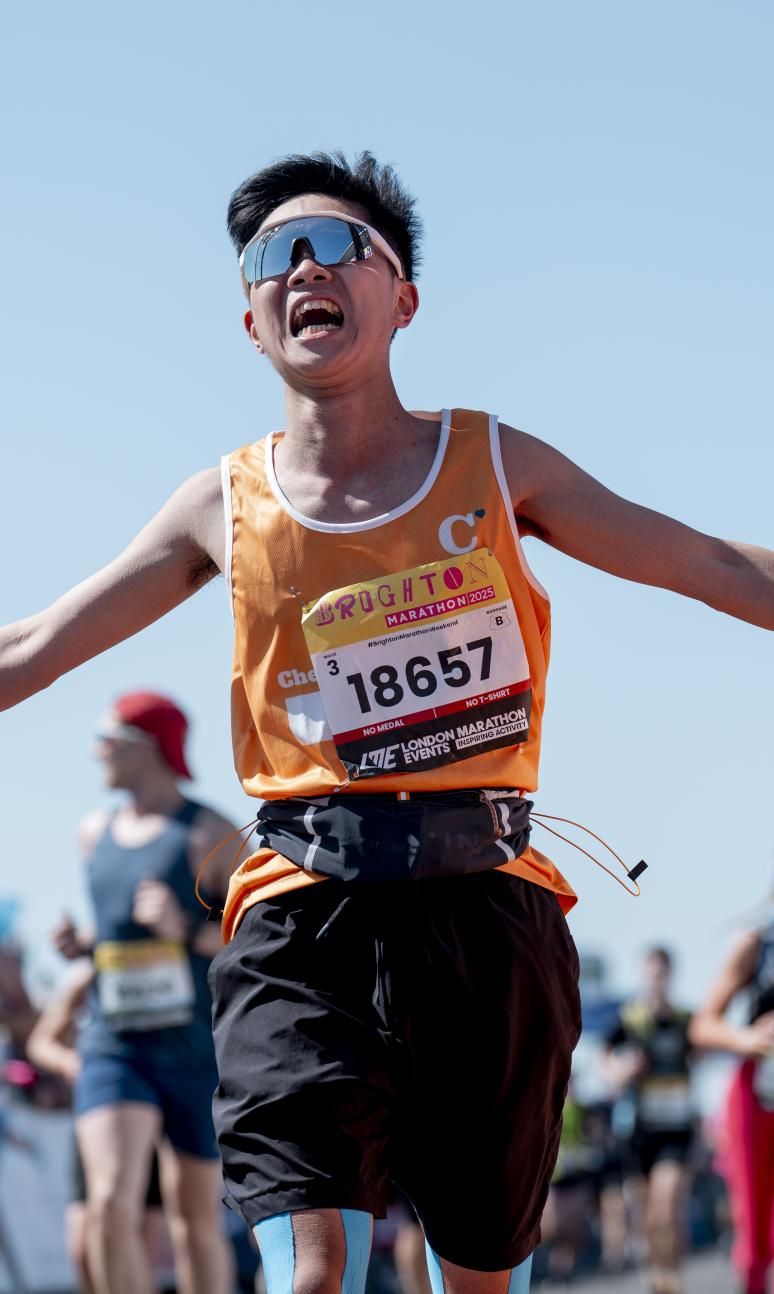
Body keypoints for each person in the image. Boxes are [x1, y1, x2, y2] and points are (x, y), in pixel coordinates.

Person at [1, 150, 772, 1294]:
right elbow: (31, 645)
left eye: (338, 245)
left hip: (485, 907)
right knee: (313, 1272)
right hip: (300, 911)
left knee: (476, 1279)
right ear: (252, 322)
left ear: (403, 298)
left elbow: (709, 563)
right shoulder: (224, 504)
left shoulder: (495, 462)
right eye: (275, 256)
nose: (305, 268)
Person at [50, 691, 236, 1294]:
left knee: (194, 1219)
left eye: (107, 740)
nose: (96, 753)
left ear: (146, 747)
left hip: (192, 1046)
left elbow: (257, 934)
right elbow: (114, 935)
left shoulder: (208, 833)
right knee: (108, 1200)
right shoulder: (92, 833)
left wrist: (186, 930)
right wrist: (82, 945)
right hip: (115, 1042)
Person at [25, 960, 176, 1294]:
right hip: (103, 1109)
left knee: (139, 1242)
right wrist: (75, 1064)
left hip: (156, 1106)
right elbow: (41, 1042)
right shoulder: (89, 972)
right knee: (84, 1244)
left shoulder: (172, 957)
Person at [689, 913, 774, 1294]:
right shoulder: (757, 943)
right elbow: (702, 1025)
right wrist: (747, 1039)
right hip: (757, 1096)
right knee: (755, 1230)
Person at [602, 948, 695, 1294]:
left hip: (676, 1129)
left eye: (661, 973)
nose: (656, 980)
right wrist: (620, 1070)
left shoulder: (685, 1019)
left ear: (670, 975)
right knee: (649, 1214)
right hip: (639, 1131)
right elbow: (604, 1059)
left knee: (667, 1205)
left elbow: (706, 1046)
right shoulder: (631, 1019)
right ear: (643, 975)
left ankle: (673, 1277)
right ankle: (657, 1276)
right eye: (650, 973)